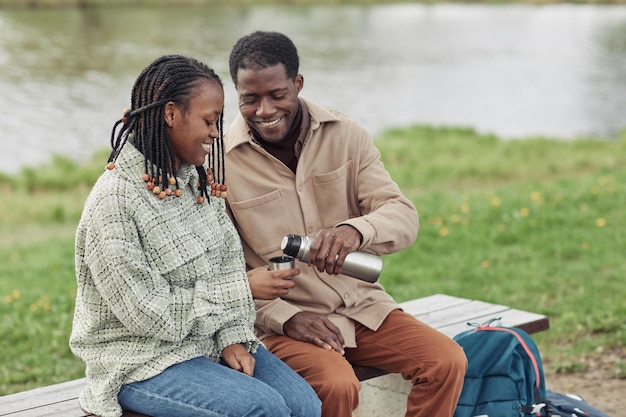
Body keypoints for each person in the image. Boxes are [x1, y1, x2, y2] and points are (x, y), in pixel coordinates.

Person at [224, 31, 468, 417]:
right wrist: (285, 319)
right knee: (336, 385)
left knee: (446, 362)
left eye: (277, 95)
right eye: (249, 99)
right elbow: (222, 273)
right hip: (281, 321)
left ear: (298, 84)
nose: (264, 110)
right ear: (236, 92)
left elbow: (402, 216)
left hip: (362, 307)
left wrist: (356, 231)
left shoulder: (348, 136)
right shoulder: (220, 164)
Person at [69, 55, 321, 417]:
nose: (216, 132)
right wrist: (244, 287)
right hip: (140, 360)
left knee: (303, 404)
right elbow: (149, 315)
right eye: (209, 120)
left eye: (218, 120)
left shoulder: (197, 183)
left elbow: (226, 263)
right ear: (171, 114)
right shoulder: (115, 201)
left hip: (206, 342)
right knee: (262, 409)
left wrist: (230, 337)